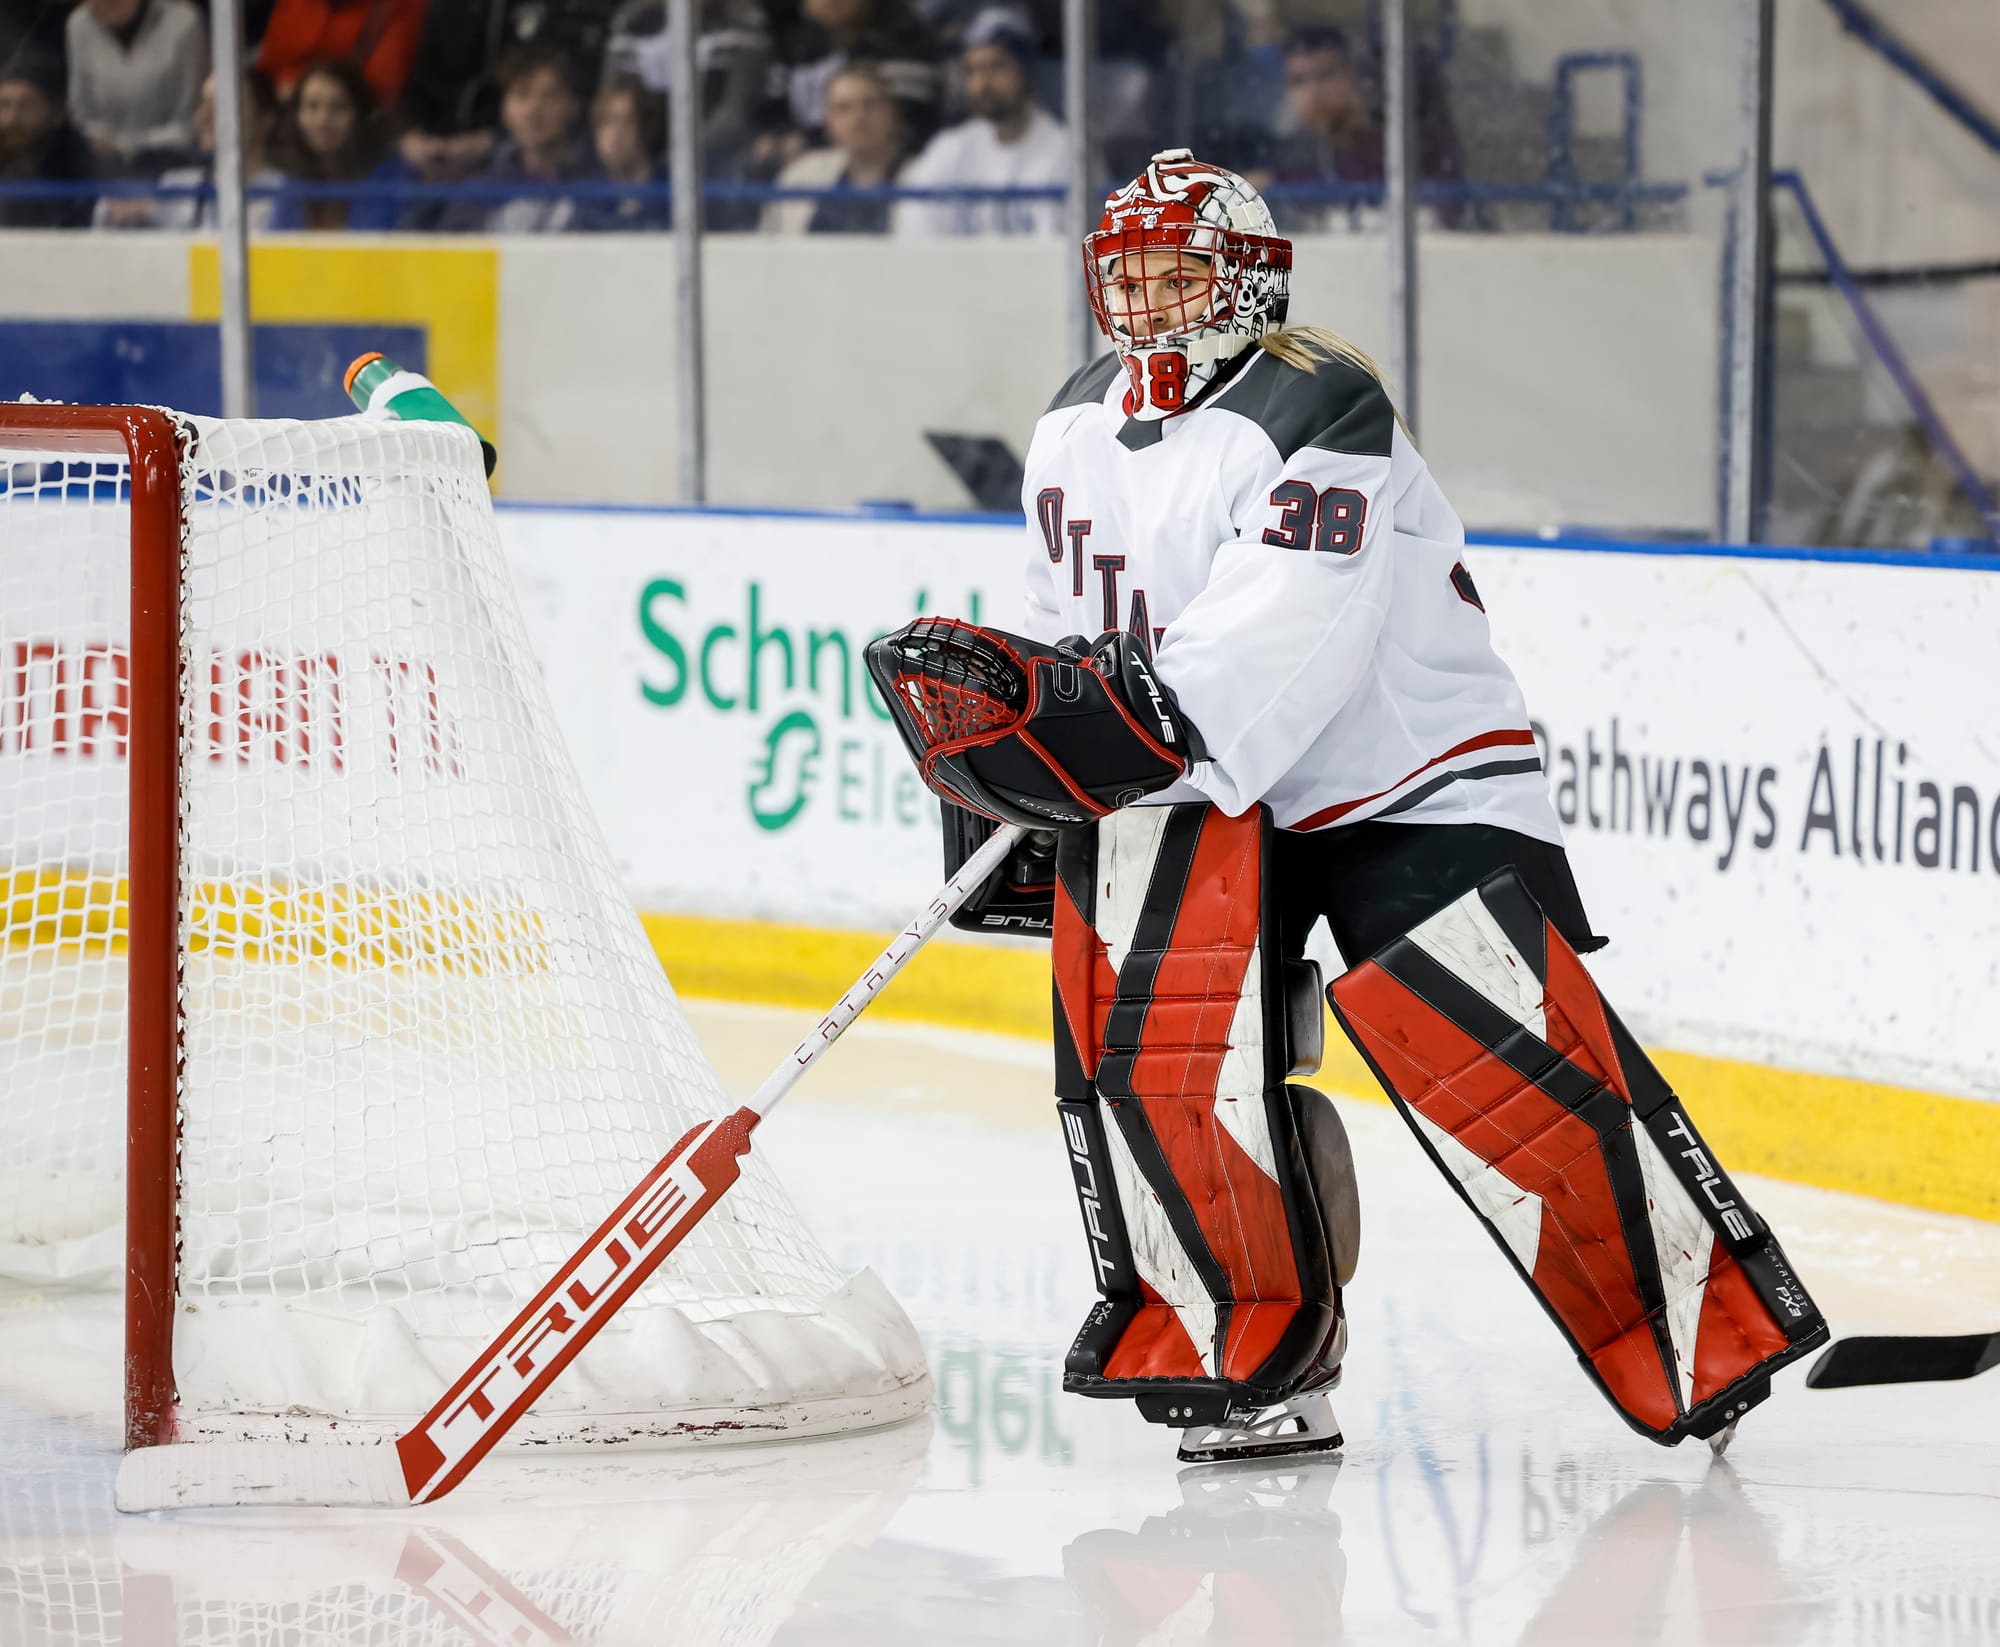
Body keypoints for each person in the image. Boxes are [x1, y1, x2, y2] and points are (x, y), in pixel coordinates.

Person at [868, 149, 1825, 1462]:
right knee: (1170, 1063)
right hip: (1197, 772)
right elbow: (1058, 622)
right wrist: (1026, 753)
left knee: (1500, 1067)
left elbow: (1271, 666)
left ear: (1246, 279)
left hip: (1404, 776)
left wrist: (1093, 736)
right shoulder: (1075, 418)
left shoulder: (1321, 406)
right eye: (1124, 274)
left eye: (1172, 273)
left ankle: (1699, 1329)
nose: (1141, 299)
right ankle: (1258, 1347)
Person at [1255, 25, 1463, 231]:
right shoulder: (1293, 151)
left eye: (1326, 75)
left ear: (1353, 76)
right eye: (1298, 81)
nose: (1313, 91)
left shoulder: (1399, 141)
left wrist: (1276, 182)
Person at [894, 6, 1065, 237]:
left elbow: (1062, 253)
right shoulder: (951, 146)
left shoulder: (1064, 150)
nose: (981, 84)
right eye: (973, 70)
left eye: (996, 66)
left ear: (1025, 71)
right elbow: (915, 223)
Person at [441, 43, 601, 234]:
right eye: (522, 94)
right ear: (505, 109)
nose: (533, 111)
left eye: (549, 96)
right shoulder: (479, 191)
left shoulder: (601, 183)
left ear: (573, 106)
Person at [96, 71, 284, 231]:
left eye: (223, 105)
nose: (203, 115)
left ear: (266, 120)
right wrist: (128, 211)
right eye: (204, 103)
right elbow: (106, 216)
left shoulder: (287, 193)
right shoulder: (179, 186)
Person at [761, 61, 906, 235]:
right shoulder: (801, 176)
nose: (858, 117)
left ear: (892, 113)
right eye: (843, 108)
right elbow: (768, 248)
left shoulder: (922, 176)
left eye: (870, 104)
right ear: (828, 121)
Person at [64, 0, 207, 168]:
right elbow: (80, 113)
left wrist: (126, 145)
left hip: (172, 163)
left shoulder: (183, 22)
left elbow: (191, 120)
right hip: (102, 167)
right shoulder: (79, 24)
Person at [269, 59, 402, 231]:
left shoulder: (389, 175)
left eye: (338, 107)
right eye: (312, 106)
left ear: (362, 115)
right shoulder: (294, 180)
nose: (322, 121)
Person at [255, 0, 430, 110]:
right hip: (283, 115)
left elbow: (381, 89)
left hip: (353, 125)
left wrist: (300, 90)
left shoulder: (400, 5)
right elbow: (269, 64)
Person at [0, 55, 96, 229]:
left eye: (27, 105)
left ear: (57, 113)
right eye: (4, 105)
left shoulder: (85, 166)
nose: (12, 119)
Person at [576, 76, 666, 231]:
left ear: (646, 127)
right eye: (605, 123)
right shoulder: (587, 199)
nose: (614, 134)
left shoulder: (670, 190)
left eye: (626, 122)